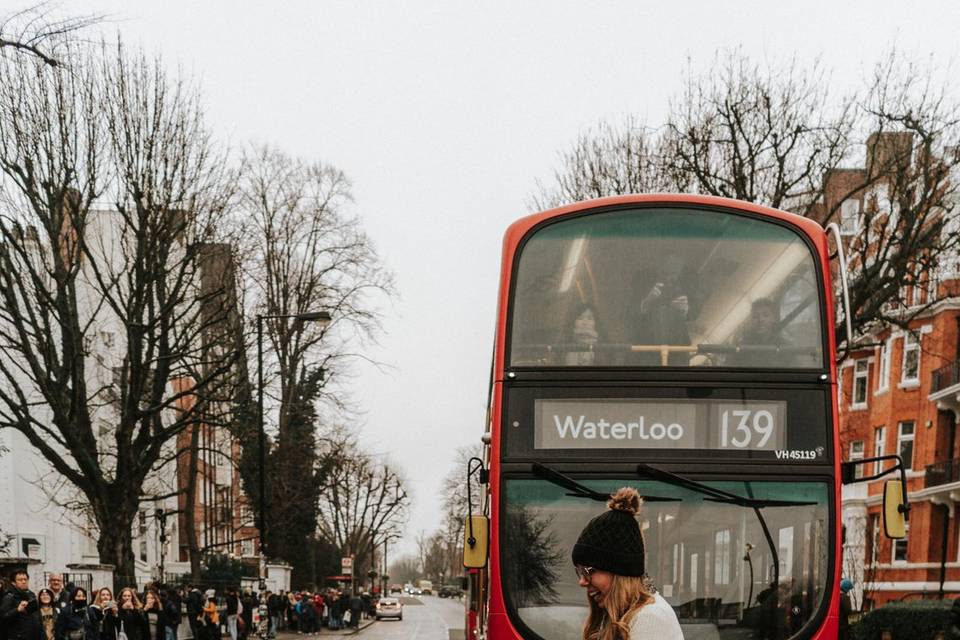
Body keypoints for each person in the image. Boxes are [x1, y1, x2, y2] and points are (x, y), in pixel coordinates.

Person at [572, 487, 683, 639]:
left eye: (589, 571)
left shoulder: (649, 617)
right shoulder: (620, 612)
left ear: (620, 571)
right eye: (580, 571)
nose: (582, 581)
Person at [627, 254, 701, 366]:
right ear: (659, 269)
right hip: (645, 352)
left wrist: (685, 310)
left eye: (674, 273)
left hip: (678, 353)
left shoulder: (687, 287)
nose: (669, 278)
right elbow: (628, 314)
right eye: (666, 272)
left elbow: (696, 313)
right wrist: (647, 301)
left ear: (680, 272)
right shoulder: (642, 284)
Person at [0, 571, 39, 640]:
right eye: (20, 580)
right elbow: (3, 618)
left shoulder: (31, 595)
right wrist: (17, 610)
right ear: (13, 583)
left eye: (25, 579)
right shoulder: (9, 597)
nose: (24, 582)